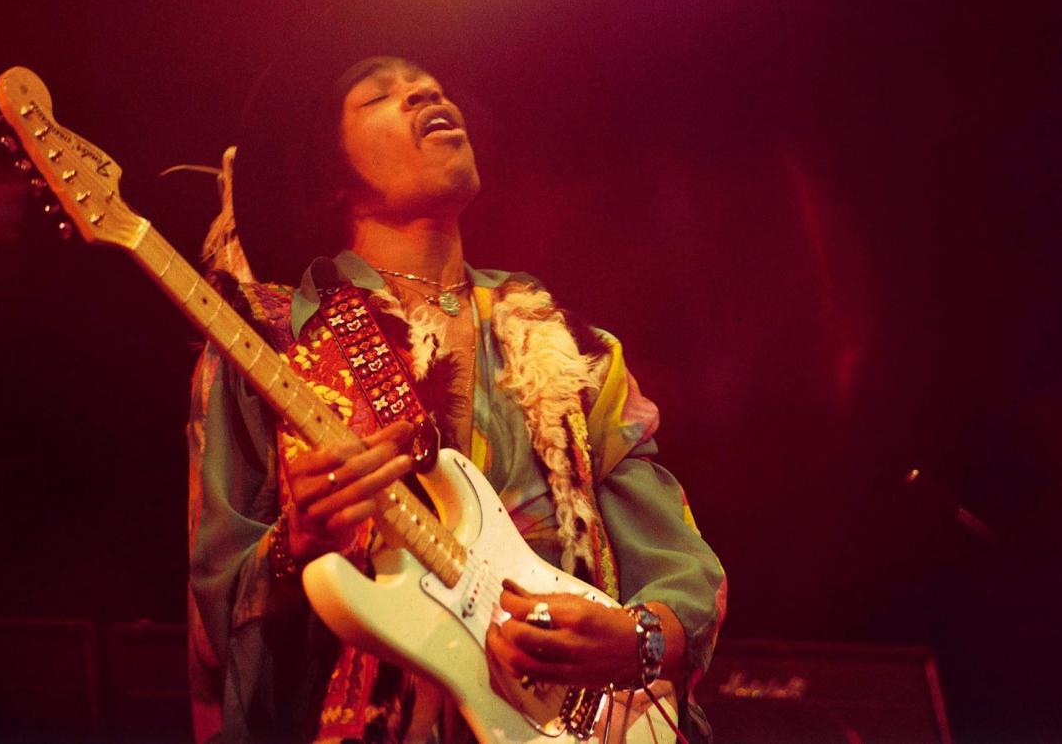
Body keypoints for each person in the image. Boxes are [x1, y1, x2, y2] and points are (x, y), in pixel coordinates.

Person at [187, 45, 726, 743]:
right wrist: (297, 548)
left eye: (430, 86)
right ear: (329, 174)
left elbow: (674, 558)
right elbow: (214, 612)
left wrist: (643, 637)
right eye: (379, 95)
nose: (420, 94)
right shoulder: (268, 346)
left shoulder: (573, 346)